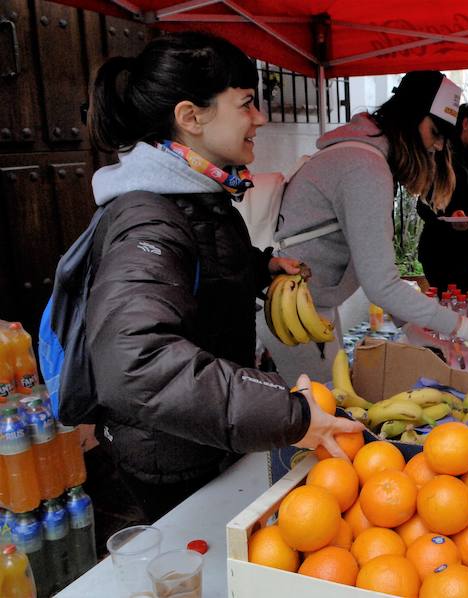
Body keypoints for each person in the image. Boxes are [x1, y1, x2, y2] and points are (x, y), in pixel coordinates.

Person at [82, 31, 364, 521]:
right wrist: (287, 414)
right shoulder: (148, 217)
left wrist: (259, 267)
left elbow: (193, 267)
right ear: (191, 117)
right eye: (247, 104)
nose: (260, 118)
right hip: (169, 460)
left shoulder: (198, 195)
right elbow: (134, 362)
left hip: (206, 438)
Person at [276, 71, 468, 379]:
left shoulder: (366, 157)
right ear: (411, 115)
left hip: (310, 301)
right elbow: (381, 284)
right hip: (289, 306)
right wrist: (464, 327)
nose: (438, 146)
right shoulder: (364, 166)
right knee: (319, 405)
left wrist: (413, 329)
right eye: (436, 132)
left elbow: (372, 266)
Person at [417, 100, 468, 293]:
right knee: (453, 312)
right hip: (442, 252)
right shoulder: (441, 154)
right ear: (466, 124)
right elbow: (424, 206)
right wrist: (450, 219)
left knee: (467, 308)